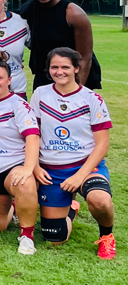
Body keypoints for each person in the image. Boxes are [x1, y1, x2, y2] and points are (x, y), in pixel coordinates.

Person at [30, 47, 116, 259]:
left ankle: (107, 237)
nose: (60, 72)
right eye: (54, 67)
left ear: (76, 68)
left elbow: (102, 145)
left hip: (85, 167)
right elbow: (32, 135)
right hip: (51, 171)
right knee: (54, 239)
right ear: (48, 70)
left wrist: (79, 176)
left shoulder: (91, 98)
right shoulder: (40, 94)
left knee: (100, 200)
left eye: (65, 67)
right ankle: (70, 208)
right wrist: (36, 166)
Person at [0, 57, 41, 255]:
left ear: (9, 80)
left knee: (25, 183)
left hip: (11, 169)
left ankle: (27, 236)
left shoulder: (18, 105)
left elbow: (33, 136)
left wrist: (28, 168)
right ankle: (13, 208)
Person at [20, 0, 101, 90]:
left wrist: (76, 90)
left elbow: (84, 57)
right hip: (44, 74)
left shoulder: (73, 13)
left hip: (73, 75)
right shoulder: (28, 10)